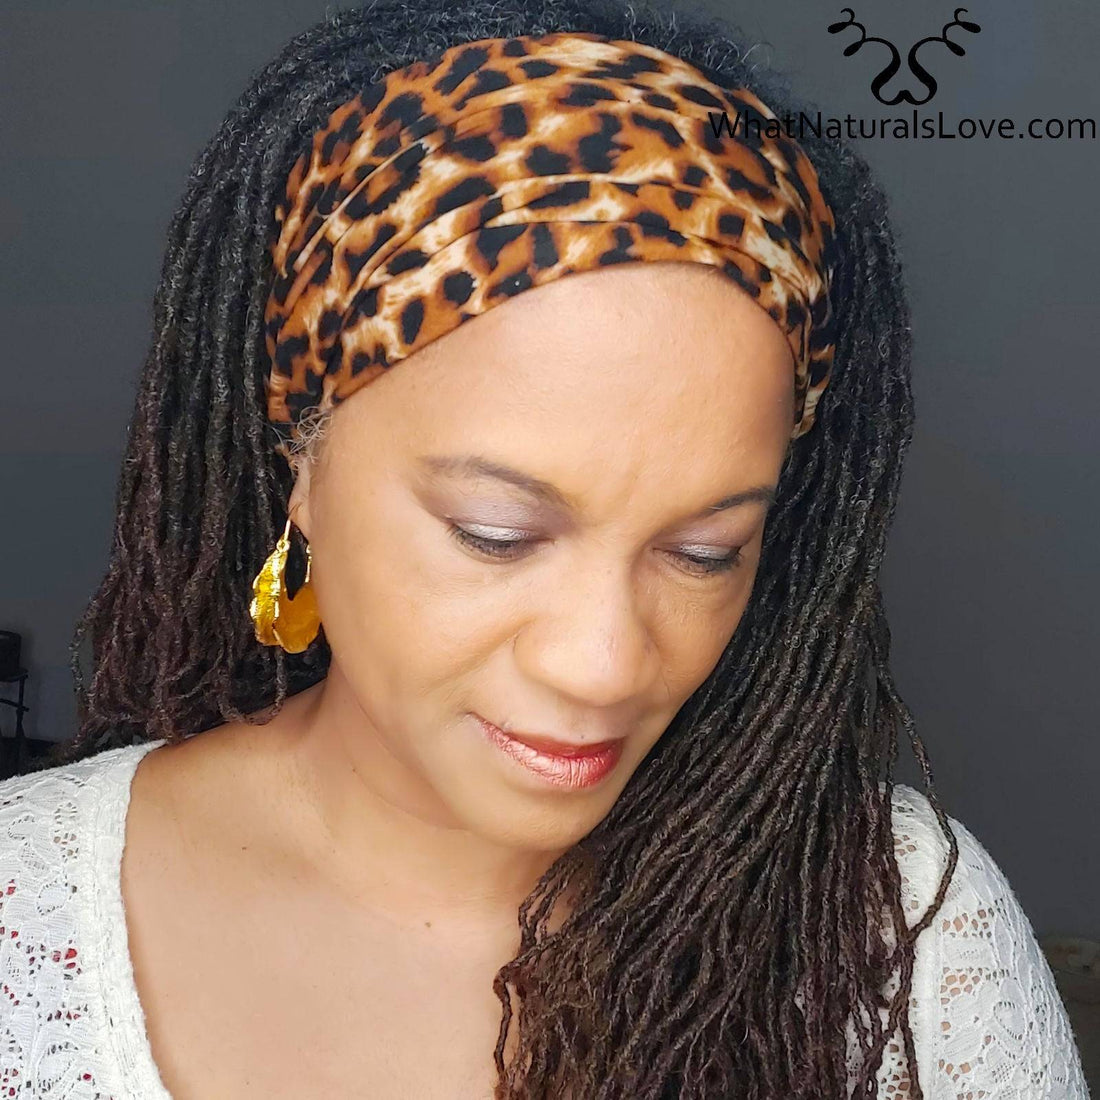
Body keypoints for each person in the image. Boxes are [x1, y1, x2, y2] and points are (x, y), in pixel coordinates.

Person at [0, 1, 1089, 1097]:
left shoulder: (906, 931)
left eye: (705, 551)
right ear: (302, 464)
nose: (602, 665)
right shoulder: (25, 909)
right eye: (497, 535)